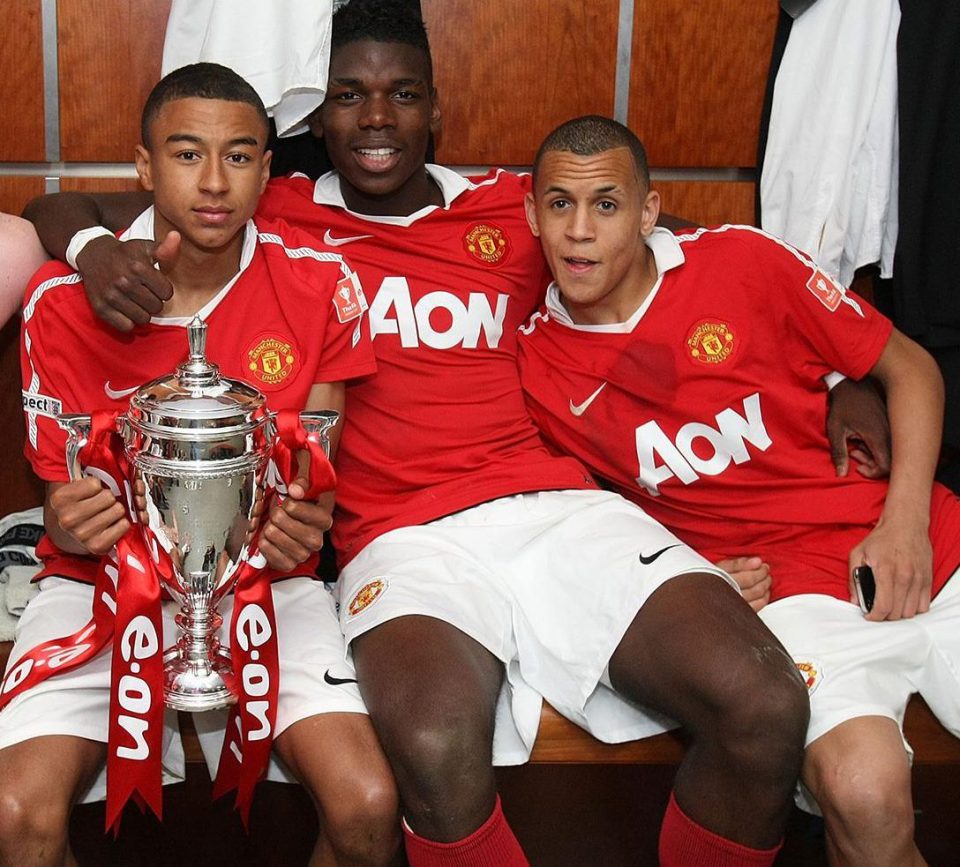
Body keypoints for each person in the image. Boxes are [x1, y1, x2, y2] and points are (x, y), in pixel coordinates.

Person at [20, 6, 816, 866]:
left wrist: (851, 374)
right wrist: (96, 247)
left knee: (765, 706)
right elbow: (65, 205)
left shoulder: (515, 205)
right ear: (314, 120)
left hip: (550, 508)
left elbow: (676, 249)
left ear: (437, 109)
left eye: (402, 94)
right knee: (432, 747)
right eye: (348, 96)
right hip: (398, 538)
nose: (374, 118)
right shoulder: (268, 208)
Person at [516, 115, 960, 867]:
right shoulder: (536, 370)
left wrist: (904, 522)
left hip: (920, 540)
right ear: (532, 216)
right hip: (791, 600)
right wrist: (688, 581)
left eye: (607, 205)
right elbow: (580, 531)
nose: (581, 232)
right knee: (864, 794)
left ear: (650, 212)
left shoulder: (744, 262)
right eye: (560, 205)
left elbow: (909, 368)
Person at [0, 63, 400, 867]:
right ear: (145, 167)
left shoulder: (321, 284)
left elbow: (315, 477)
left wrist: (302, 526)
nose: (215, 183)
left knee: (368, 807)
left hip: (265, 589)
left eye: (242, 155)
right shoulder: (61, 301)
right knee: (15, 814)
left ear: (267, 167)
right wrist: (68, 521)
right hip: (102, 585)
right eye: (187, 155)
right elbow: (61, 501)